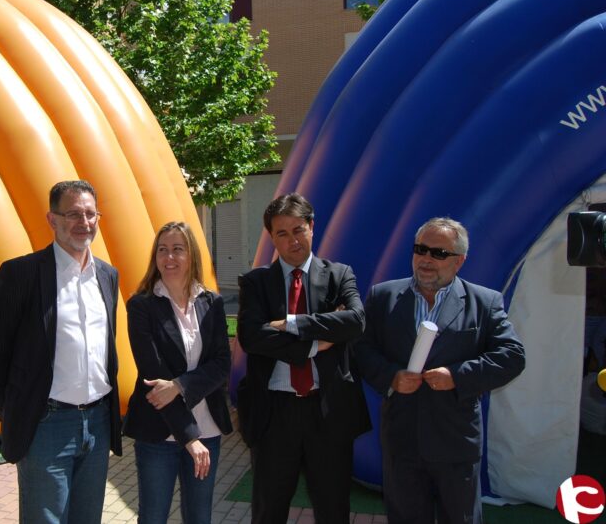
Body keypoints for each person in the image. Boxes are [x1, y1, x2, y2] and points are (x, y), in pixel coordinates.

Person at [354, 217, 525, 524]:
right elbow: (361, 350)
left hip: (455, 443)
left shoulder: (484, 302)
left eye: (439, 253)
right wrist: (391, 376)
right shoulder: (383, 296)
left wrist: (457, 376)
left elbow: (512, 356)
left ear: (460, 261)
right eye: (421, 249)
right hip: (402, 441)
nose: (427, 259)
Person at [0, 180, 121, 524]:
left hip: (98, 421)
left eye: (90, 214)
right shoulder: (22, 273)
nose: (83, 222)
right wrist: (16, 408)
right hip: (47, 423)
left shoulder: (107, 275)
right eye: (72, 214)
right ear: (51, 219)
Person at [236, 193, 370, 524]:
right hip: (274, 412)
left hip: (328, 412)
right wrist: (315, 344)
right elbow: (252, 337)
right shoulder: (255, 283)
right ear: (272, 238)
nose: (292, 240)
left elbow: (355, 321)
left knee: (333, 506)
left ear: (312, 227)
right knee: (269, 508)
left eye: (298, 229)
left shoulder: (339, 275)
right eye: (282, 233)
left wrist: (293, 324)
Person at [123, 222, 232, 524]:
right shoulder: (141, 306)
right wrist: (189, 438)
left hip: (208, 430)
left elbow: (222, 363)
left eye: (177, 249)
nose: (169, 257)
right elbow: (154, 377)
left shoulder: (212, 302)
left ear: (191, 255)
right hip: (159, 433)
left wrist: (181, 385)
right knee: (153, 517)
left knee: (199, 517)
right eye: (162, 250)